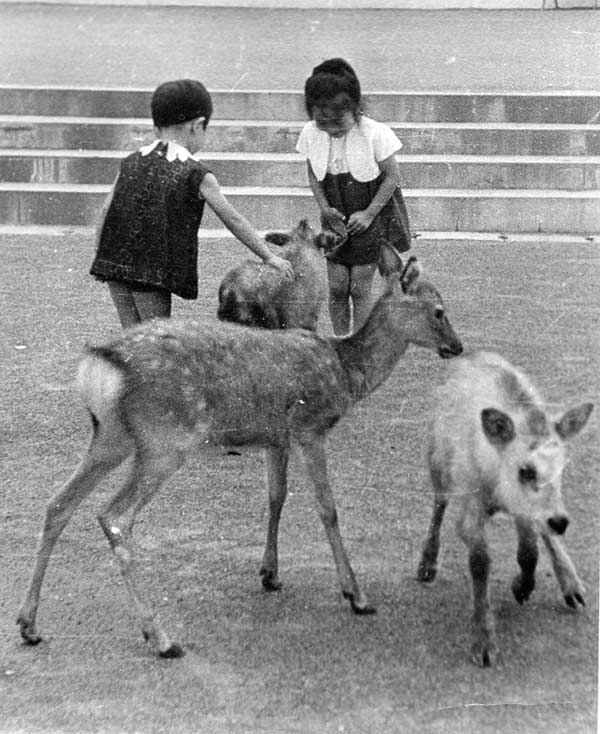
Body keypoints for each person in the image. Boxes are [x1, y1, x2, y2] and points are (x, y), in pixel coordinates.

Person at [91, 78, 293, 327]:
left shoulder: (131, 161)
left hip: (113, 262)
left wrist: (100, 252)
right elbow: (233, 220)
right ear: (197, 126)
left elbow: (106, 209)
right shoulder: (196, 173)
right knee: (155, 338)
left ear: (156, 127)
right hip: (149, 271)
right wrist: (269, 256)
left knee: (129, 334)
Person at [296, 58, 411, 335]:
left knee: (359, 288)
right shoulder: (312, 134)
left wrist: (369, 214)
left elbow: (392, 177)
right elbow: (313, 173)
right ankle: (340, 341)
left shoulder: (375, 133)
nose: (332, 128)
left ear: (356, 109)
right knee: (337, 287)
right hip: (335, 217)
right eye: (322, 120)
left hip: (368, 216)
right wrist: (324, 208)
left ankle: (358, 343)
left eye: (339, 121)